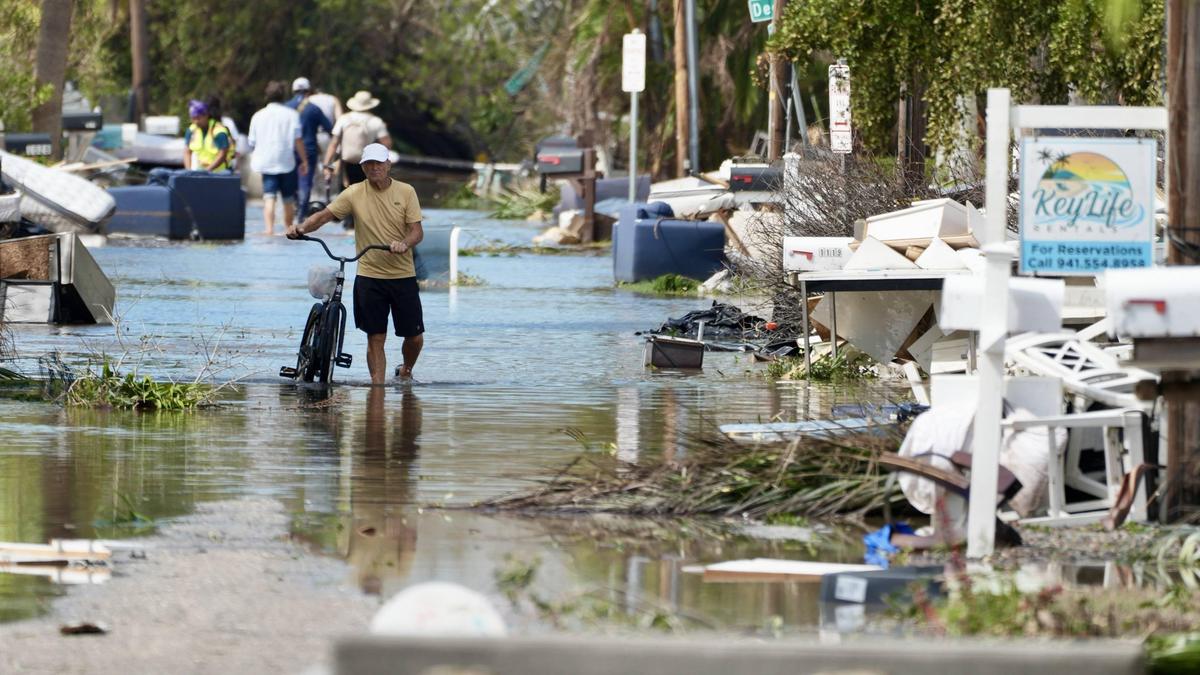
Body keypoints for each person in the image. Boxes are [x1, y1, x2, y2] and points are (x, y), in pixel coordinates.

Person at [287, 143, 424, 384]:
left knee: (414, 337)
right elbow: (325, 216)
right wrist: (301, 228)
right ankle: (378, 388)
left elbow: (416, 232)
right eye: (369, 164)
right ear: (362, 167)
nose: (374, 168)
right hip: (370, 276)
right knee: (376, 337)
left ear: (388, 164)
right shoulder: (354, 193)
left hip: (402, 275)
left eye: (379, 163)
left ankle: (406, 369)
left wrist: (404, 243)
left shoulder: (406, 192)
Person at [248, 80, 307, 235]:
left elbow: (252, 142)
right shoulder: (292, 115)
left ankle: (269, 229)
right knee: (288, 199)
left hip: (266, 162)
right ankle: (288, 229)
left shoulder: (258, 116)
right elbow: (298, 140)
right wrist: (305, 161)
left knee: (269, 198)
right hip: (286, 161)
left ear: (267, 96)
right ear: (283, 96)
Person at [287, 78, 334, 221]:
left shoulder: (286, 107)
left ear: (293, 90)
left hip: (289, 149)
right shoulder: (314, 108)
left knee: (290, 181)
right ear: (309, 91)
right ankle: (301, 216)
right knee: (305, 182)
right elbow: (329, 129)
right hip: (308, 149)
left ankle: (292, 210)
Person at [324, 90, 391, 189]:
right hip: (367, 163)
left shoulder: (344, 119)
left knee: (346, 192)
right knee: (365, 193)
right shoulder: (376, 121)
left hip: (345, 164)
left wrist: (327, 165)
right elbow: (387, 144)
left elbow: (334, 144)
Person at [182, 99, 234, 172]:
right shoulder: (192, 130)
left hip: (222, 173)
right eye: (193, 118)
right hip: (202, 170)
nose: (196, 121)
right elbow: (187, 151)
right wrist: (188, 171)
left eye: (198, 118)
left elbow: (222, 154)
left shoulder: (219, 131)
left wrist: (207, 171)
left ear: (206, 115)